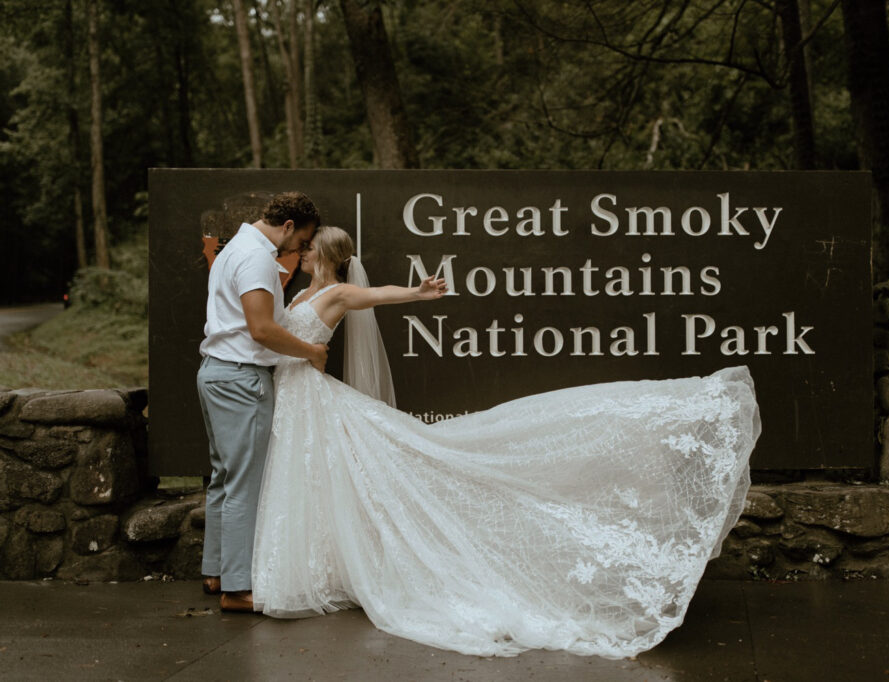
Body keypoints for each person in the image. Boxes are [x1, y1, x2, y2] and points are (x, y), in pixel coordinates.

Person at [251, 225, 761, 659]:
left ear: (327, 254)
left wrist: (416, 294)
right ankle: (322, 571)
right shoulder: (296, 293)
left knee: (369, 465)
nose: (302, 251)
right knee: (313, 478)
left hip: (314, 396)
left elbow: (380, 294)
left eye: (310, 246)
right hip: (296, 394)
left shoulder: (336, 292)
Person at [196, 192, 328, 612]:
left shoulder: (235, 248)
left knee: (222, 477)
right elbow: (261, 329)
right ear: (287, 225)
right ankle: (237, 588)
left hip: (216, 372)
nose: (301, 250)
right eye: (302, 241)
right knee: (244, 484)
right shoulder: (254, 258)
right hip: (240, 379)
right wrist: (310, 350)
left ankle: (216, 571)